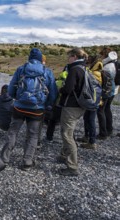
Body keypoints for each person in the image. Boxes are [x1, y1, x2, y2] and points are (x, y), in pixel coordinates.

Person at [1, 48, 57, 170]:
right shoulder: (47, 72)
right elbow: (53, 92)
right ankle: (27, 161)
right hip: (37, 109)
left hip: (19, 107)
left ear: (29, 58)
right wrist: (47, 105)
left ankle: (4, 159)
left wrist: (17, 98)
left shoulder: (21, 69)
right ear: (41, 58)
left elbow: (11, 89)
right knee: (32, 135)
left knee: (13, 132)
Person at [57, 47, 88, 176]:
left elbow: (68, 89)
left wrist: (60, 88)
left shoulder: (74, 69)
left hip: (71, 107)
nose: (67, 59)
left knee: (67, 134)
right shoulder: (83, 68)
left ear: (74, 57)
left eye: (69, 56)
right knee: (69, 131)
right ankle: (64, 155)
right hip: (80, 106)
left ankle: (72, 166)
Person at [77, 55, 103, 149]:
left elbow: (91, 87)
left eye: (89, 61)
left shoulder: (95, 74)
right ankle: (87, 137)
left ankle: (92, 142)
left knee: (90, 120)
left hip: (92, 100)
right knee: (87, 118)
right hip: (94, 100)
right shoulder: (97, 72)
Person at [97, 48, 118, 139]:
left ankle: (103, 133)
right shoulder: (114, 64)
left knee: (100, 110)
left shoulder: (107, 67)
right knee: (107, 109)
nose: (101, 57)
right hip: (113, 90)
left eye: (102, 55)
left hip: (106, 91)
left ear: (105, 56)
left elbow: (103, 81)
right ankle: (109, 129)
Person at [45, 66, 68, 141]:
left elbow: (53, 93)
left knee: (52, 121)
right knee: (67, 124)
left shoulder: (58, 82)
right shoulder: (74, 79)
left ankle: (49, 137)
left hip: (58, 104)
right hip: (68, 105)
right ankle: (68, 140)